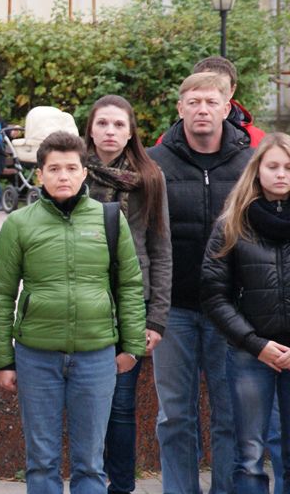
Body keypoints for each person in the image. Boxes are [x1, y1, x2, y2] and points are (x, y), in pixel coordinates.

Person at [0, 131, 146, 494]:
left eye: (72, 168)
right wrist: (3, 359)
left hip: (96, 354)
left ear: (84, 172)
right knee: (41, 462)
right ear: (40, 174)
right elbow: (1, 294)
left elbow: (130, 285)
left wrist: (131, 345)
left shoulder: (109, 219)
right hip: (36, 356)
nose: (63, 176)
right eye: (54, 168)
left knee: (90, 463)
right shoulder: (19, 224)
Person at [147, 72, 252, 494]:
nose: (202, 110)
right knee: (175, 416)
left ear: (227, 107)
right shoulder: (155, 162)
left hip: (231, 311)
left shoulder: (249, 163)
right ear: (180, 108)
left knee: (230, 415)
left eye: (210, 102)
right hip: (173, 310)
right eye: (193, 102)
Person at [84, 94, 172, 494]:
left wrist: (157, 317)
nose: (110, 131)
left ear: (131, 131)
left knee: (121, 404)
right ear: (90, 129)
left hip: (132, 300)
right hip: (85, 297)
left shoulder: (149, 177)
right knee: (89, 402)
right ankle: (89, 480)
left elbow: (161, 247)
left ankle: (120, 486)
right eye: (102, 123)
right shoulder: (74, 171)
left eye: (119, 124)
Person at [202, 132, 290, 494]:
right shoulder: (232, 224)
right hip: (249, 354)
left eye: (288, 167)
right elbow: (214, 294)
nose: (281, 174)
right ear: (257, 170)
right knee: (250, 455)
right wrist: (255, 344)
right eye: (273, 166)